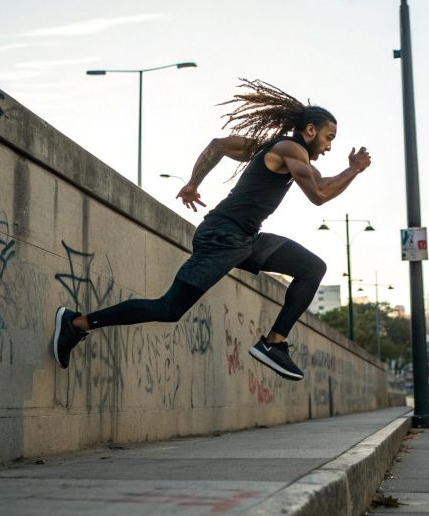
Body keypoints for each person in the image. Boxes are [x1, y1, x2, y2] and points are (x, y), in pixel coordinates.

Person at [52, 79, 372, 380]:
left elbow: (219, 145)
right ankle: (77, 323)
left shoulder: (275, 148)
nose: (329, 147)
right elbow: (319, 196)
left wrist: (193, 183)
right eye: (329, 137)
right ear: (311, 129)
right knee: (169, 308)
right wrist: (354, 169)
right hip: (223, 236)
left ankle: (274, 343)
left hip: (244, 238)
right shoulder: (291, 150)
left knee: (312, 267)